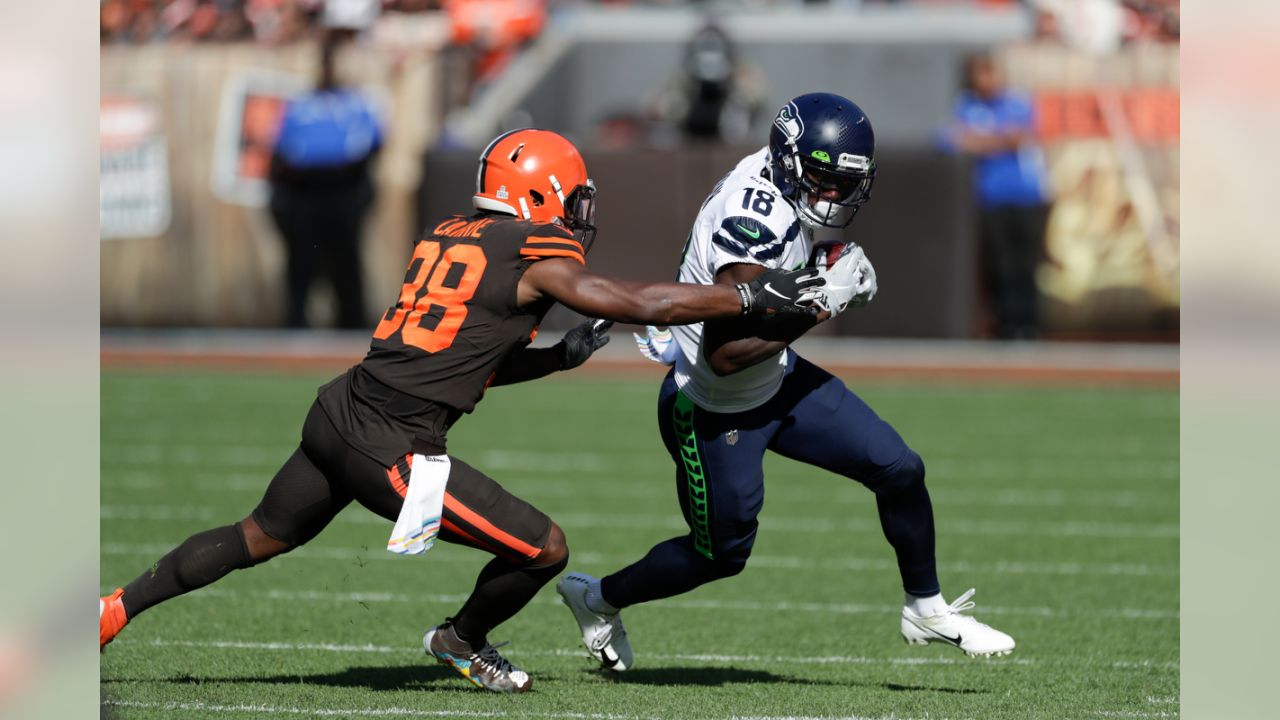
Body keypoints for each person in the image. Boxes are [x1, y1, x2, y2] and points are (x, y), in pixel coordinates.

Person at [99, 129, 823, 694]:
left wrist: (555, 358)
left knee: (256, 534)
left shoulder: (450, 231)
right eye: (573, 198)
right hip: (393, 447)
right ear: (539, 195)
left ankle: (112, 611)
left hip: (340, 411)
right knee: (544, 548)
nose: (580, 213)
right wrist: (749, 298)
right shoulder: (531, 249)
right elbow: (634, 303)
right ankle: (461, 639)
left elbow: (460, 361)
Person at [557, 93, 1017, 671]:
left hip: (776, 381)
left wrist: (822, 270)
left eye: (843, 183)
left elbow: (776, 290)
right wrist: (825, 303)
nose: (833, 195)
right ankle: (597, 598)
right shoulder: (752, 219)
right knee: (719, 556)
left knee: (899, 469)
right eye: (824, 180)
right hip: (712, 406)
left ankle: (925, 606)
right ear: (792, 163)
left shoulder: (778, 172)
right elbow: (728, 356)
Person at [269, 29, 383, 329]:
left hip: (344, 189)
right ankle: (296, 322)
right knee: (301, 262)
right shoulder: (300, 105)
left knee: (346, 262)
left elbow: (373, 144)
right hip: (305, 191)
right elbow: (281, 150)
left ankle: (351, 322)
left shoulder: (358, 103)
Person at [940, 53, 1051, 340]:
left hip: (1026, 197)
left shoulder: (1017, 102)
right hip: (990, 199)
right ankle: (1006, 326)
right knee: (1000, 266)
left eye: (990, 72)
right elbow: (951, 140)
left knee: (1026, 266)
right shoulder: (966, 105)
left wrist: (981, 140)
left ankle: (1029, 326)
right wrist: (993, 140)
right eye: (980, 73)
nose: (986, 80)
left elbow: (1017, 138)